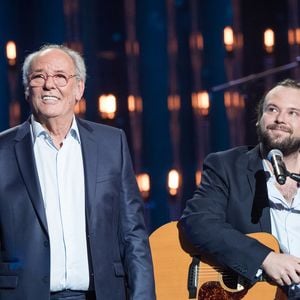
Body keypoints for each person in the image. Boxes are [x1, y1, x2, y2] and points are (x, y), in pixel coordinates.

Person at [0, 44, 156, 300]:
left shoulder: (111, 143)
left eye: (61, 76)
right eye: (39, 77)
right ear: (28, 90)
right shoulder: (3, 151)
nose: (49, 85)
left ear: (79, 89)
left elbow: (133, 234)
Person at [179, 79, 300, 300]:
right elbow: (197, 221)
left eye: (293, 113)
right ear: (258, 120)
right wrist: (265, 258)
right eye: (272, 109)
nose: (280, 119)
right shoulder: (226, 166)